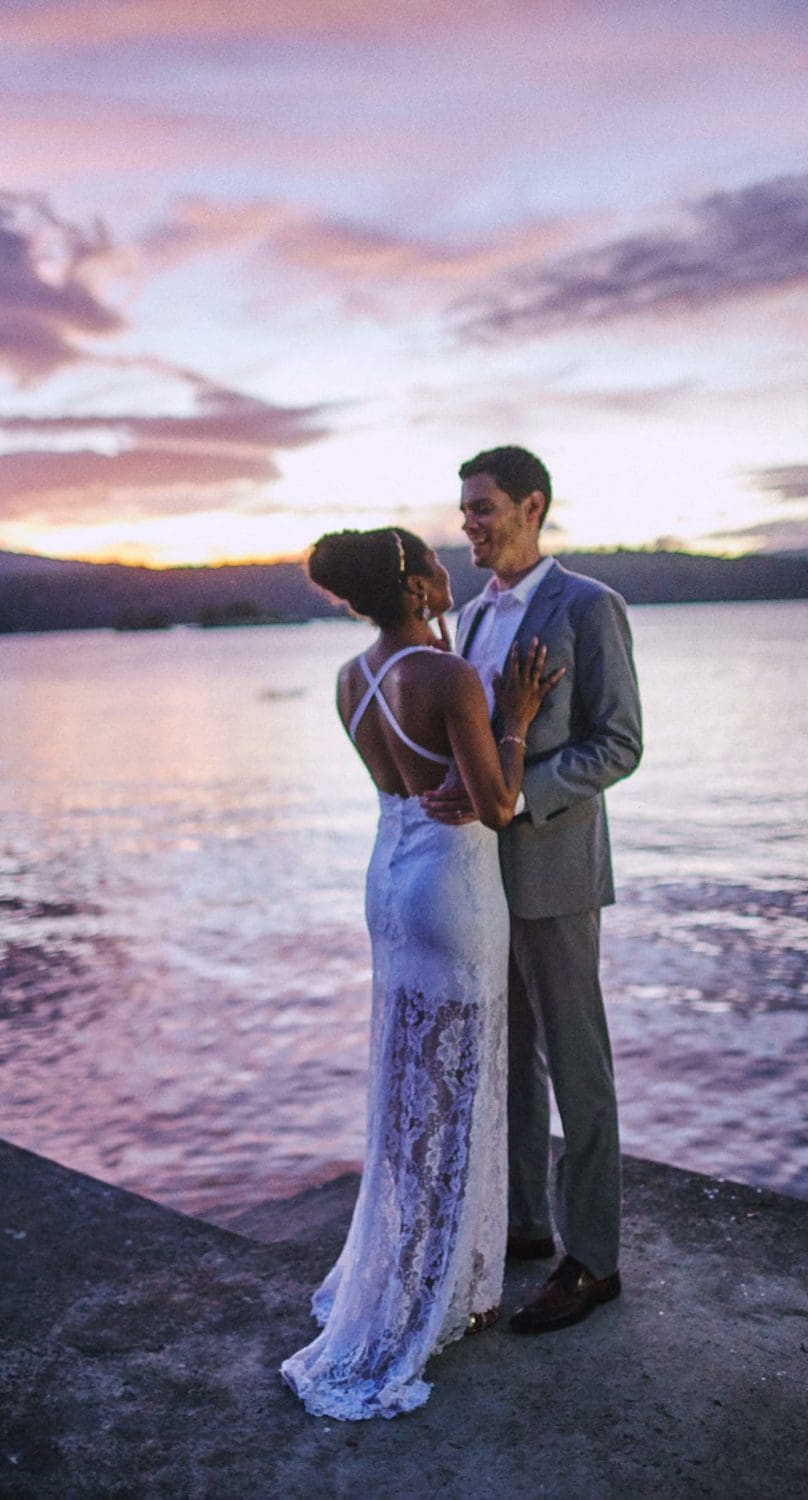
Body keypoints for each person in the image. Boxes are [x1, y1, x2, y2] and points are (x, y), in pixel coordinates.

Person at [281, 526, 562, 1419]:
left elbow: (411, 775)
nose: (451, 568)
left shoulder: (350, 678)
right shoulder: (448, 678)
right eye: (433, 563)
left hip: (390, 877)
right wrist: (513, 720)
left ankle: (422, 1273)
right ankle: (437, 1294)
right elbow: (498, 803)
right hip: (453, 885)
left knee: (408, 1080)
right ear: (411, 585)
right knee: (456, 1085)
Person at [422, 446, 642, 1335]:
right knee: (507, 1056)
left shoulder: (589, 606)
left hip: (552, 869)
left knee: (577, 1064)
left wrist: (517, 802)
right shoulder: (472, 620)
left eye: (482, 507)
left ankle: (592, 1260)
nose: (468, 522)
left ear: (531, 506)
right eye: (464, 508)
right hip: (479, 879)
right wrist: (456, 787)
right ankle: (523, 1225)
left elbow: (618, 743)